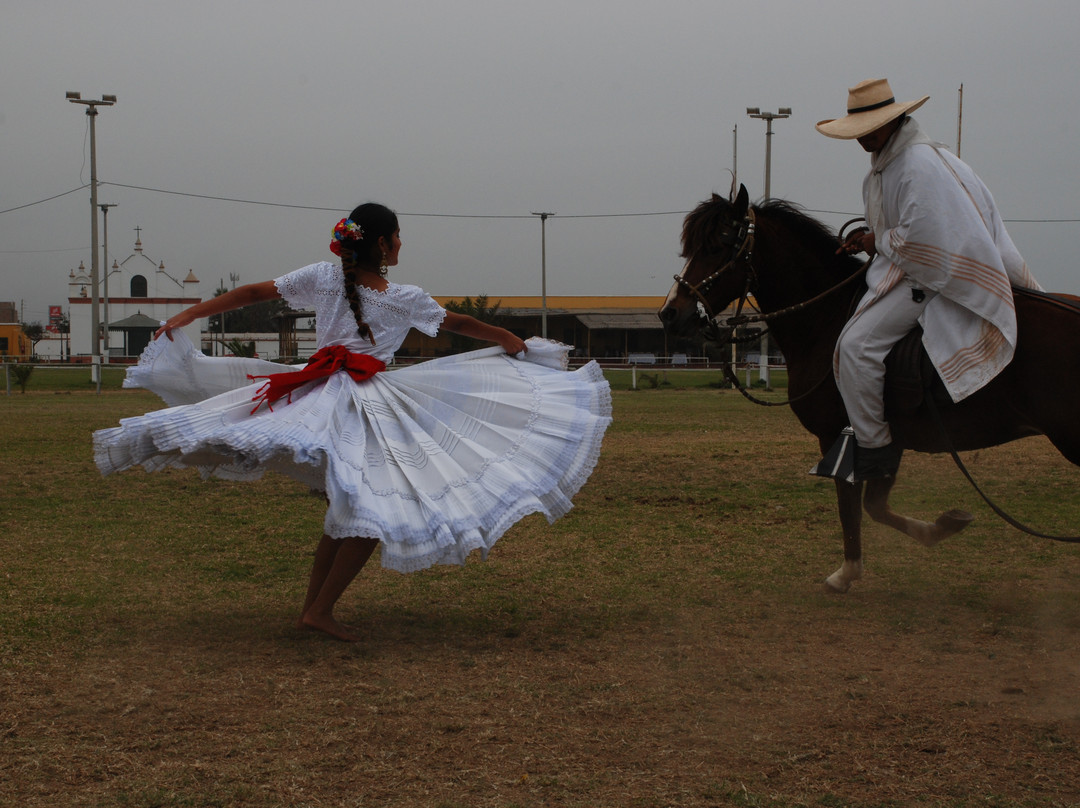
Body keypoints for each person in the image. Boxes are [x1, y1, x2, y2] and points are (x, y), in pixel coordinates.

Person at [94, 202, 612, 641]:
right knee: (369, 509)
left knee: (353, 506)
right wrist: (507, 339)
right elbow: (458, 324)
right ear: (384, 245)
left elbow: (252, 293)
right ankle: (317, 611)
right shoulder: (400, 295)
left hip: (324, 390)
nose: (401, 246)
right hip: (357, 398)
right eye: (398, 239)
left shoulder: (325, 278)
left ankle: (315, 610)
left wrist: (190, 314)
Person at [814, 79, 1041, 481]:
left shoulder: (914, 165)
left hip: (932, 273)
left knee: (855, 347)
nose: (862, 139)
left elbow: (923, 239)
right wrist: (872, 238)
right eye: (857, 132)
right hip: (926, 261)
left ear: (891, 121)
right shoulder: (918, 161)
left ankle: (875, 448)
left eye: (867, 130)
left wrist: (875, 240)